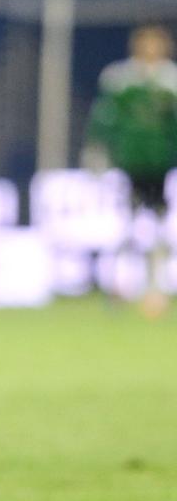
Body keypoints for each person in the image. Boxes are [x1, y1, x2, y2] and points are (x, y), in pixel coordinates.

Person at [82, 23, 177, 315]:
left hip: (161, 163)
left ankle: (156, 289)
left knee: (161, 226)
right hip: (128, 164)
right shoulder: (119, 80)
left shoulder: (170, 81)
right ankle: (119, 287)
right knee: (127, 226)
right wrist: (97, 152)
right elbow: (104, 119)